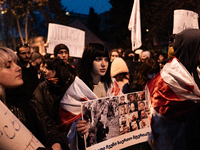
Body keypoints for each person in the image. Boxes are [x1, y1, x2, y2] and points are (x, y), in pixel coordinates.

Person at [0, 47, 69, 150]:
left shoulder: (29, 99)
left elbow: (48, 126)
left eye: (15, 63)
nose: (18, 68)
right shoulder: (3, 110)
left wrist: (56, 144)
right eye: (9, 66)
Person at [57, 43, 122, 150]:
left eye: (106, 59)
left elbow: (123, 108)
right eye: (98, 59)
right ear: (88, 61)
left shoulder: (113, 85)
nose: (103, 64)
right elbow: (64, 123)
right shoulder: (76, 89)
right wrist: (77, 126)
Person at [145, 29, 200, 150]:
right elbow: (156, 118)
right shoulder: (166, 80)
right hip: (172, 141)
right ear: (191, 48)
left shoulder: (196, 72)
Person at [32, 57, 75, 150]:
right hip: (53, 135)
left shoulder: (72, 84)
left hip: (72, 132)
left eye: (49, 68)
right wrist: (55, 140)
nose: (44, 70)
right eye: (44, 67)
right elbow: (43, 117)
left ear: (57, 71)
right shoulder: (42, 88)